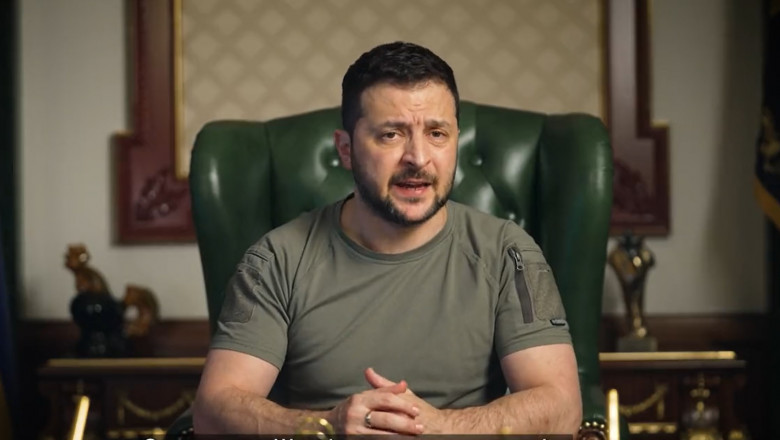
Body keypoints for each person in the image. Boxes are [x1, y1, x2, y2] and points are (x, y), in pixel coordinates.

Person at [192, 41, 582, 436]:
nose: (418, 158)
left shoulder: (509, 253)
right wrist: (327, 424)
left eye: (437, 134)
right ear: (346, 150)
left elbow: (562, 407)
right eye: (391, 135)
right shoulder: (276, 259)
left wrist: (440, 427)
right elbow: (213, 409)